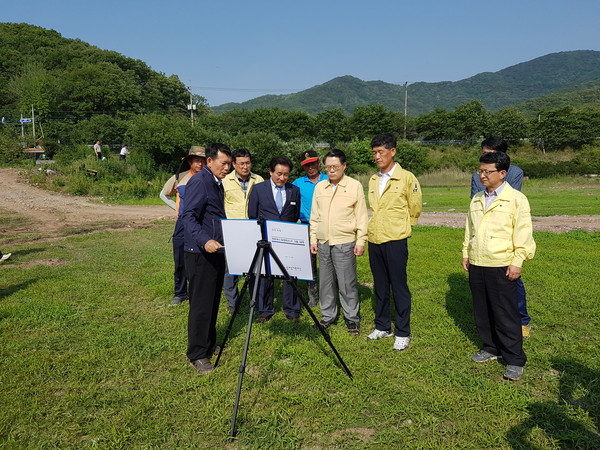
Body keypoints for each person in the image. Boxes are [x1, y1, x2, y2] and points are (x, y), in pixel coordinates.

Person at [462, 151, 536, 381]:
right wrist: (466, 253)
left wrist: (517, 261)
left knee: (506, 313)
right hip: (477, 262)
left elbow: (523, 233)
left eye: (487, 171)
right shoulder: (477, 199)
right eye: (480, 171)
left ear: (502, 173)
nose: (482, 175)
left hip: (502, 264)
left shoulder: (516, 199)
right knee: (482, 310)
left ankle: (514, 358)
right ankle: (490, 347)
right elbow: (469, 230)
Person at [470, 136, 532, 337]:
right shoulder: (476, 175)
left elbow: (510, 197)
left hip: (503, 231)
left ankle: (521, 320)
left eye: (489, 156)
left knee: (512, 282)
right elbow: (474, 198)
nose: (483, 171)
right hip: (483, 229)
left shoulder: (515, 173)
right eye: (483, 156)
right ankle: (491, 333)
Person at [367, 133, 422, 351]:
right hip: (375, 237)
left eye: (380, 152)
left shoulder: (407, 177)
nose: (377, 156)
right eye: (374, 153)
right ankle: (382, 326)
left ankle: (402, 331)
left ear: (393, 151)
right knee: (380, 284)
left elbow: (415, 207)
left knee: (398, 286)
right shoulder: (373, 179)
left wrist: (403, 226)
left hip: (396, 238)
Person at [181, 143, 232, 375]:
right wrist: (204, 240)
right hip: (200, 253)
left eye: (229, 164)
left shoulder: (215, 182)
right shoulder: (199, 181)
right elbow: (188, 216)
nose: (227, 168)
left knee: (212, 302)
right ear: (209, 161)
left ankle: (209, 343)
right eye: (224, 163)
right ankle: (197, 354)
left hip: (216, 252)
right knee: (201, 305)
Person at [309, 149, 368, 335]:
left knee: (347, 282)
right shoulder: (320, 187)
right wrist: (313, 238)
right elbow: (314, 216)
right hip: (324, 241)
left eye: (335, 166)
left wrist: (361, 240)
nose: (331, 170)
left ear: (344, 166)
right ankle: (327, 316)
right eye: (328, 167)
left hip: (345, 241)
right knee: (325, 283)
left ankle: (351, 318)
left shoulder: (354, 186)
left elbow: (361, 215)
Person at [248, 156, 302, 323]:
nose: (282, 178)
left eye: (286, 174)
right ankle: (265, 310)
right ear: (271, 172)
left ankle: (292, 310)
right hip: (265, 239)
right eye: (279, 174)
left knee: (289, 274)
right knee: (265, 274)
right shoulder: (258, 189)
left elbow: (294, 215)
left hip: (286, 239)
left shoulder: (294, 190)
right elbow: (252, 214)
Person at [160, 147, 206, 306]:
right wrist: (177, 208)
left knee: (199, 260)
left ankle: (197, 292)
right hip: (182, 225)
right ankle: (180, 293)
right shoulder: (179, 178)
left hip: (201, 224)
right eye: (196, 160)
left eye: (203, 160)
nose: (200, 163)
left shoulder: (208, 178)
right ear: (189, 161)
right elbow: (164, 194)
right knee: (179, 259)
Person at [222, 148, 264, 313]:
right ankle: (233, 304)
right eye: (241, 164)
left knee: (254, 268)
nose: (245, 167)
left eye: (247, 163)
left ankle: (255, 301)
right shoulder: (225, 181)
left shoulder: (258, 180)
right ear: (234, 164)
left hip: (253, 229)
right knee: (231, 269)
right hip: (233, 230)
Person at [292, 150, 328, 307]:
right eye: (306, 165)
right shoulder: (298, 184)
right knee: (310, 264)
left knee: (329, 263)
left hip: (328, 225)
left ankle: (329, 295)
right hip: (307, 227)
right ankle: (313, 296)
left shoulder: (329, 179)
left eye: (313, 163)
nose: (310, 167)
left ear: (319, 163)